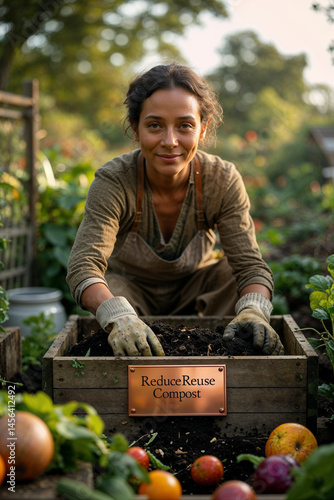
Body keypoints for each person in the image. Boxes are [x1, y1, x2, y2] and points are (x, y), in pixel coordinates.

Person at [66, 62, 284, 357]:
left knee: (232, 277)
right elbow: (84, 266)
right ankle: (128, 331)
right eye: (155, 125)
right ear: (135, 128)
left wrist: (255, 312)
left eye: (184, 125)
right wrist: (119, 316)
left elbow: (250, 267)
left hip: (200, 296)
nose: (170, 142)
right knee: (109, 290)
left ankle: (226, 348)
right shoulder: (115, 180)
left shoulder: (221, 179)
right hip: (131, 296)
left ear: (203, 129)